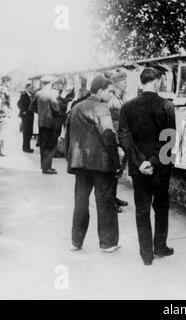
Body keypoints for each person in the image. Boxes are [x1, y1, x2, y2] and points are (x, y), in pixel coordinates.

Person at [118, 67, 176, 266]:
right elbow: (169, 140)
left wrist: (140, 161)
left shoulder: (127, 107)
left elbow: (124, 137)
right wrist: (152, 161)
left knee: (141, 209)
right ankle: (160, 246)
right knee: (161, 207)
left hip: (138, 169)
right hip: (161, 168)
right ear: (158, 81)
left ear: (142, 82)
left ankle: (146, 255)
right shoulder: (167, 106)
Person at [65, 75, 121, 253]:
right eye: (110, 92)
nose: (112, 96)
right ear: (100, 90)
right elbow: (108, 136)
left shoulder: (76, 107)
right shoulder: (101, 108)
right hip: (101, 164)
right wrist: (116, 161)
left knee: (80, 202)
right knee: (105, 202)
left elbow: (67, 136)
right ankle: (108, 243)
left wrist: (71, 159)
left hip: (80, 164)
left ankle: (76, 241)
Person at [29, 76, 61, 174]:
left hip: (41, 122)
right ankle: (47, 168)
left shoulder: (38, 93)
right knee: (50, 145)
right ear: (50, 83)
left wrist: (41, 113)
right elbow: (56, 109)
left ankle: (44, 166)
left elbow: (32, 107)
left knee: (43, 145)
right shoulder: (51, 94)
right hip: (51, 123)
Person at [109, 68, 129, 213]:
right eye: (123, 81)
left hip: (121, 138)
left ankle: (113, 197)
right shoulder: (111, 98)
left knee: (118, 170)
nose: (126, 83)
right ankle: (109, 200)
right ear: (115, 83)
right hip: (113, 139)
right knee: (112, 170)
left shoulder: (120, 97)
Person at [0, 76, 12, 157]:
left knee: (1, 131)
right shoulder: (3, 90)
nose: (10, 84)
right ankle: (0, 151)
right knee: (2, 132)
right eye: (9, 82)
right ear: (5, 82)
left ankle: (0, 149)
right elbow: (7, 101)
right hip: (3, 112)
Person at [17, 83, 35, 153]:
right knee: (27, 132)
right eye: (31, 88)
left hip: (30, 115)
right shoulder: (24, 94)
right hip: (26, 115)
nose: (32, 89)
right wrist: (24, 111)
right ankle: (25, 148)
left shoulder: (30, 95)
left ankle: (28, 147)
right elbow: (19, 104)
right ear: (27, 88)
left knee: (29, 131)